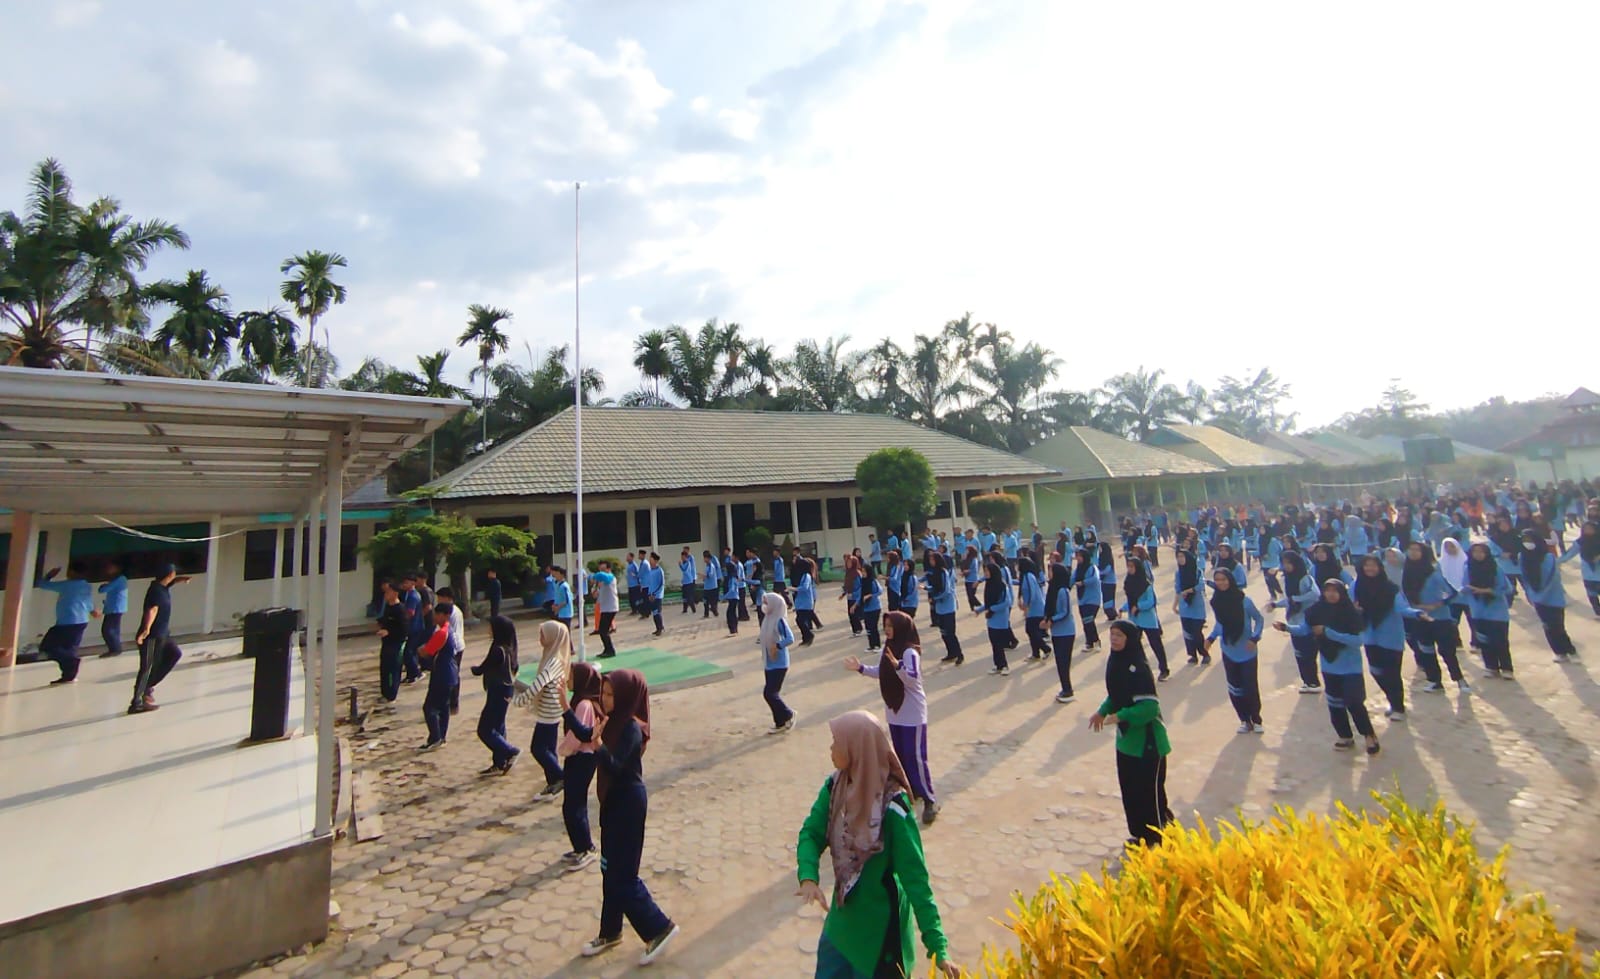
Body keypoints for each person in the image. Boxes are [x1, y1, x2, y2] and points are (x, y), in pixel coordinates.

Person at [795, 710, 958, 978]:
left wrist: (937, 946)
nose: (831, 748)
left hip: (880, 938)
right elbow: (811, 833)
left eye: (837, 741)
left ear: (856, 749)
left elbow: (916, 879)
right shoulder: (836, 787)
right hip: (842, 925)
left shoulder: (893, 809)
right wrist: (808, 877)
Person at [572, 669, 680, 966]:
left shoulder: (631, 728)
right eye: (603, 693)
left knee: (623, 875)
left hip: (629, 805)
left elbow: (616, 765)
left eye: (610, 695)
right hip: (612, 803)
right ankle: (610, 931)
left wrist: (598, 746)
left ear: (624, 697)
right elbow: (586, 736)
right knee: (609, 869)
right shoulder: (609, 722)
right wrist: (562, 707)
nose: (604, 699)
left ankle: (659, 927)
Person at [844, 610, 941, 824]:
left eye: (891, 626)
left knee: (915, 757)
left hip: (912, 714)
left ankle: (929, 799)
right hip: (895, 713)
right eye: (885, 626)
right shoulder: (889, 649)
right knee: (900, 756)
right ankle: (910, 792)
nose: (887, 630)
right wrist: (860, 668)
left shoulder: (909, 653)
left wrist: (898, 666)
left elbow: (913, 679)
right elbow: (881, 671)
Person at [1089, 621, 1174, 847]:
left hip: (1148, 743)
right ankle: (1139, 835)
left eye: (1119, 635)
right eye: (1112, 635)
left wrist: (1121, 716)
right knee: (1131, 791)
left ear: (1130, 639)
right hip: (1127, 742)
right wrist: (1101, 712)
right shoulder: (1116, 662)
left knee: (1150, 794)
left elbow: (1149, 707)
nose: (1114, 639)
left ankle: (1158, 836)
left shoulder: (1139, 667)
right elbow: (1116, 695)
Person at [1276, 579, 1380, 755]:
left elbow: (1357, 641)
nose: (1331, 594)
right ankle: (1345, 736)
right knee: (1335, 704)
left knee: (1354, 703)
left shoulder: (1352, 614)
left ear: (1341, 592)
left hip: (1350, 667)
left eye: (1335, 591)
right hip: (1329, 666)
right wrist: (1286, 628)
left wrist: (1328, 633)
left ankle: (1369, 735)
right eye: (1327, 590)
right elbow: (1304, 630)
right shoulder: (1316, 612)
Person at [1399, 542, 1470, 695]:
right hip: (1419, 618)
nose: (1413, 552)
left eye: (1416, 550)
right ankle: (1434, 681)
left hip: (1440, 618)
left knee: (1447, 651)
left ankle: (1459, 679)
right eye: (1410, 549)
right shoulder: (1406, 573)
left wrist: (1438, 604)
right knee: (1426, 650)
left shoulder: (1433, 572)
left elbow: (1453, 593)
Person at [1354, 554, 1414, 721]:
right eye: (1366, 565)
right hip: (1369, 635)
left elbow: (1403, 608)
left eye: (1373, 565)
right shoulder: (1357, 586)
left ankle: (1398, 707)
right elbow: (1347, 603)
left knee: (1392, 674)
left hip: (1390, 637)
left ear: (1380, 568)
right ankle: (1393, 701)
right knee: (1376, 671)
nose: (1370, 569)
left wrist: (1417, 613)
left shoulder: (1391, 589)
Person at [1206, 568, 1265, 733]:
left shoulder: (1245, 601)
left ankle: (1256, 719)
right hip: (1228, 650)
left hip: (1247, 651)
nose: (1220, 583)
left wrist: (1255, 638)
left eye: (1224, 579)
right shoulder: (1216, 601)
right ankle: (1244, 720)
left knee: (1250, 687)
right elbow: (1220, 624)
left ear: (1230, 580)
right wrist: (1211, 638)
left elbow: (1259, 619)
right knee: (1235, 688)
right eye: (1217, 580)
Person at [558, 661, 603, 870]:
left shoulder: (584, 705)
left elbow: (578, 736)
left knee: (574, 805)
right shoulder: (581, 701)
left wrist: (563, 749)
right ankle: (579, 847)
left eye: (572, 676)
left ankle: (586, 848)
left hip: (582, 757)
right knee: (572, 804)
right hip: (579, 757)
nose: (568, 679)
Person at [129, 564, 190, 712]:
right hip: (152, 636)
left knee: (174, 653)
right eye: (174, 574)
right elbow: (152, 610)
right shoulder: (156, 591)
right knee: (147, 667)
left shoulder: (162, 587)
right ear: (169, 575)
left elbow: (169, 583)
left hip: (163, 634)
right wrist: (146, 629)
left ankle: (148, 686)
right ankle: (136, 703)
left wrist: (179, 580)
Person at [470, 614, 520, 774]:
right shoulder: (509, 647)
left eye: (490, 627)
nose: (488, 630)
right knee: (498, 727)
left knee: (485, 729)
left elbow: (482, 668)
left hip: (498, 691)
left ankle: (510, 751)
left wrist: (475, 669)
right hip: (505, 691)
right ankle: (500, 762)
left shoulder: (498, 649)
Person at [1520, 530, 1577, 663]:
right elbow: (1525, 578)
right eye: (1525, 540)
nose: (1527, 543)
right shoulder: (1522, 557)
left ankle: (1570, 650)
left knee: (1558, 626)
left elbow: (1553, 579)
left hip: (1553, 598)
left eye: (1530, 539)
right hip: (1537, 598)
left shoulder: (1549, 557)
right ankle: (1559, 652)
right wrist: (1531, 595)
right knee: (1547, 626)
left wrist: (1541, 595)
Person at [529, 620, 571, 799]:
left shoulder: (553, 661)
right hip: (550, 710)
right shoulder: (552, 654)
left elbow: (540, 683)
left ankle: (561, 777)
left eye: (543, 634)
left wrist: (521, 699)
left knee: (537, 748)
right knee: (548, 748)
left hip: (549, 712)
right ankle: (553, 782)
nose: (540, 638)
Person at [35, 562, 94, 685]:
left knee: (48, 646)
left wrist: (49, 576)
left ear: (72, 573)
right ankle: (69, 676)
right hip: (82, 621)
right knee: (69, 648)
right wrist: (92, 611)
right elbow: (87, 602)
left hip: (67, 622)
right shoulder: (86, 586)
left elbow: (42, 584)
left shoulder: (67, 585)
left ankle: (71, 662)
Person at [1464, 542, 1514, 678]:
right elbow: (1464, 585)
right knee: (1484, 641)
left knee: (1500, 641)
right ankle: (1491, 667)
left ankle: (1506, 668)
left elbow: (1508, 588)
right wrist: (1466, 590)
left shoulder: (1495, 568)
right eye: (1475, 552)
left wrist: (1488, 590)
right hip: (1478, 611)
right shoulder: (1468, 568)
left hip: (1497, 611)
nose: (1478, 555)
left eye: (1481, 552)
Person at [1118, 557, 1170, 681]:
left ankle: (1164, 669)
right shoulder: (1128, 582)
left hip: (1148, 620)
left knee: (1156, 644)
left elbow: (1151, 601)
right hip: (1135, 620)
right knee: (1134, 645)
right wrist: (1123, 608)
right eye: (1128, 567)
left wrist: (1139, 607)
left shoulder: (1146, 584)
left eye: (1132, 567)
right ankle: (1140, 669)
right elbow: (1130, 600)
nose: (1130, 569)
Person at [415, 604, 458, 750]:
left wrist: (420, 648)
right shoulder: (448, 631)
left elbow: (426, 652)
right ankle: (441, 737)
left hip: (442, 674)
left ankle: (435, 738)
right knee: (443, 706)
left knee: (429, 707)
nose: (435, 617)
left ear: (445, 615)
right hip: (450, 674)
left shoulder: (442, 633)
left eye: (437, 614)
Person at [759, 591, 797, 733]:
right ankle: (779, 723)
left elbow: (790, 638)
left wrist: (777, 646)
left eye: (767, 602)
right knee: (772, 693)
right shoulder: (768, 618)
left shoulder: (779, 620)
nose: (764, 605)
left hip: (779, 663)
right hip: (769, 662)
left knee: (769, 693)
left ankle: (788, 714)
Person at [1045, 560, 1078, 703]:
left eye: (1051, 571)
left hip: (1066, 632)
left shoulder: (1063, 591)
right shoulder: (1052, 589)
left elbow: (1065, 612)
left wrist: (1051, 620)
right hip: (1057, 632)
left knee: (1063, 662)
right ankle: (1065, 688)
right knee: (1059, 662)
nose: (1049, 574)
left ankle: (1068, 690)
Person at [923, 552, 963, 665]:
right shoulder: (935, 573)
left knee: (950, 632)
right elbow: (935, 587)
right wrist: (926, 588)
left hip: (948, 607)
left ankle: (959, 654)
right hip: (940, 607)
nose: (931, 562)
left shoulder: (943, 572)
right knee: (943, 632)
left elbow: (946, 590)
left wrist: (935, 598)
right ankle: (951, 653)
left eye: (932, 560)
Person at [976, 558, 1014, 676]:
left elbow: (1006, 603)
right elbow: (988, 602)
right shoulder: (989, 585)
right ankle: (997, 665)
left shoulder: (1002, 586)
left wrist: (991, 609)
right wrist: (980, 609)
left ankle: (1004, 666)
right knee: (994, 644)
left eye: (987, 571)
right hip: (991, 619)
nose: (985, 573)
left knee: (999, 644)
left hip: (1000, 619)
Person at [1172, 549, 1210, 666]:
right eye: (1178, 557)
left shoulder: (1197, 571)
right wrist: (1175, 605)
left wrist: (1189, 590)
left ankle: (1204, 654)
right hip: (1185, 608)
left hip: (1197, 607)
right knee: (1188, 634)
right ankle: (1193, 655)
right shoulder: (1179, 573)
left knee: (1197, 633)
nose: (1180, 559)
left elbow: (1201, 585)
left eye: (1182, 556)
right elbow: (1178, 590)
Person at [434, 586, 467, 715]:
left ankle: (452, 703)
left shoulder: (451, 612)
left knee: (452, 676)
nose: (439, 601)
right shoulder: (452, 611)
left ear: (448, 599)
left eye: (440, 599)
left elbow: (449, 632)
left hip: (454, 647)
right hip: (454, 645)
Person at [375, 580, 408, 702]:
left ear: (394, 593)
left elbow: (404, 629)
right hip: (386, 643)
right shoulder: (389, 607)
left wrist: (389, 632)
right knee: (384, 667)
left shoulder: (400, 609)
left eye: (388, 592)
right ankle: (384, 692)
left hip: (396, 644)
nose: (385, 595)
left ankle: (391, 694)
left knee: (393, 669)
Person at [1559, 520, 1600, 616]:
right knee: (1592, 594)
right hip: (1588, 575)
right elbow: (1569, 554)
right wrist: (1556, 561)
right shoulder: (1580, 542)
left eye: (1591, 529)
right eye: (1586, 529)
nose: (1588, 531)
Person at [1018, 556, 1050, 660]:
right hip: (1033, 608)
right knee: (1032, 631)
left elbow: (1032, 593)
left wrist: (1027, 605)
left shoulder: (1028, 576)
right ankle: (1035, 653)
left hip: (1035, 609)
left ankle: (1046, 648)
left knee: (1031, 630)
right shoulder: (1027, 576)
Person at [97, 559, 128, 658]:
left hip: (116, 608)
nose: (107, 569)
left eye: (111, 567)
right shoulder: (116, 579)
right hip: (113, 607)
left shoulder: (120, 579)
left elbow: (103, 589)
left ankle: (115, 649)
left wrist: (104, 586)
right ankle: (115, 648)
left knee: (107, 629)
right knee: (113, 629)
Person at [1073, 547, 1102, 651]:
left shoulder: (1092, 567)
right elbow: (1072, 579)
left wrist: (1083, 582)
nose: (1078, 558)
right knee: (1086, 622)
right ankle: (1090, 642)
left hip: (1093, 599)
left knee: (1089, 620)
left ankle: (1095, 641)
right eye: (1077, 556)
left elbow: (1095, 579)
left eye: (1080, 556)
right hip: (1082, 600)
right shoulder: (1078, 569)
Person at [850, 562, 884, 651]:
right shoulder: (863, 582)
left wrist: (870, 595)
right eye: (862, 571)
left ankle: (877, 645)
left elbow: (880, 591)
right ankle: (871, 645)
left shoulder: (873, 581)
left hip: (875, 608)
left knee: (873, 627)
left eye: (864, 571)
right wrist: (854, 605)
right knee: (868, 627)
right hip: (866, 608)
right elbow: (860, 596)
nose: (863, 573)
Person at [591, 560, 621, 657]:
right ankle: (607, 649)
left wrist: (593, 577)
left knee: (603, 630)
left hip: (610, 608)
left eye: (604, 569)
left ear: (609, 569)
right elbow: (598, 595)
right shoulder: (602, 581)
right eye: (600, 569)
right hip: (605, 608)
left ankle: (610, 650)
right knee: (602, 630)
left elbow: (602, 576)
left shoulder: (611, 578)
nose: (601, 571)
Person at [794, 557, 820, 646]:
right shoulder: (801, 576)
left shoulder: (807, 576)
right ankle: (805, 638)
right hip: (801, 603)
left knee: (800, 620)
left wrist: (794, 589)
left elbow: (804, 588)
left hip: (806, 603)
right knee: (799, 620)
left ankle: (809, 635)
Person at [643, 552, 666, 637]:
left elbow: (661, 584)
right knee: (654, 612)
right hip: (651, 594)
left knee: (657, 612)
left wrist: (655, 594)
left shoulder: (659, 570)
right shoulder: (650, 570)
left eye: (651, 558)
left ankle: (660, 628)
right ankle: (658, 627)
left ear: (655, 560)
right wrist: (649, 594)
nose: (650, 560)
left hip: (657, 595)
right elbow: (650, 583)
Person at [678, 548, 699, 614]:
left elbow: (684, 570)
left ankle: (693, 608)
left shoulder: (687, 563)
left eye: (683, 557)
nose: (682, 558)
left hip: (689, 582)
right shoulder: (684, 562)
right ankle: (685, 609)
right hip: (685, 582)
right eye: (681, 557)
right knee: (684, 596)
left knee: (689, 596)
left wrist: (680, 565)